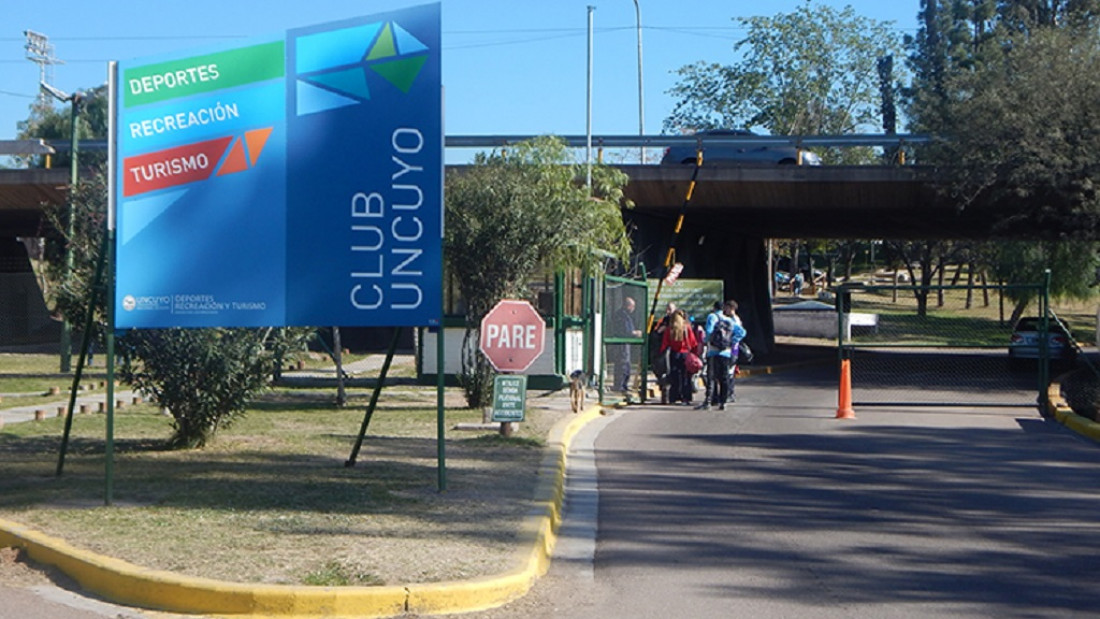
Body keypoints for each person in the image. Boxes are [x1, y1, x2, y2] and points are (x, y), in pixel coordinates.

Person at [697, 299, 747, 411]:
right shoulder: (728, 320)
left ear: (714, 308)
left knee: (711, 377)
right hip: (726, 352)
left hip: (713, 351)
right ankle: (723, 402)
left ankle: (708, 401)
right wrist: (732, 341)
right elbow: (742, 332)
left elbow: (709, 332)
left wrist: (705, 340)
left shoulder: (712, 317)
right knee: (724, 377)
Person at [659, 310, 697, 404]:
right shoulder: (686, 328)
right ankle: (686, 397)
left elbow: (665, 343)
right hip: (685, 354)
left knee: (674, 376)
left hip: (674, 354)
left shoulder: (669, 329)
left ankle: (674, 397)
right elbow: (693, 343)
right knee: (686, 376)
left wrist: (661, 353)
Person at [612, 296, 642, 396]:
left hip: (626, 343)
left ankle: (623, 385)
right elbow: (624, 330)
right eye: (632, 306)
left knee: (626, 364)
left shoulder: (626, 316)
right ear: (628, 306)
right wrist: (634, 333)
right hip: (621, 343)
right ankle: (620, 385)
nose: (633, 309)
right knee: (622, 364)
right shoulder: (621, 316)